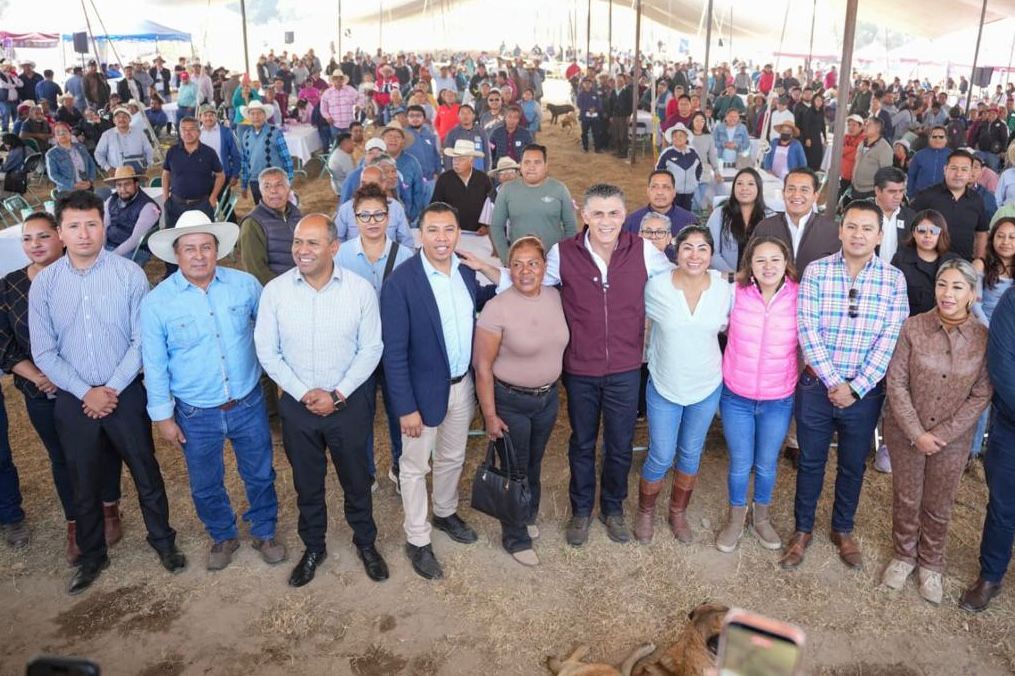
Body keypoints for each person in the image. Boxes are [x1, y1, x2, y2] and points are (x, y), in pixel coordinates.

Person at [464, 184, 674, 547]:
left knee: (620, 443)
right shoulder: (564, 252)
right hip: (581, 369)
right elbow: (528, 281)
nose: (606, 221)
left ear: (624, 216)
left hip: (625, 367)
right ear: (584, 215)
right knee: (582, 442)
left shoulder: (643, 251)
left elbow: (678, 278)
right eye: (598, 213)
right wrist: (487, 267)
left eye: (613, 213)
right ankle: (581, 510)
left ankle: (612, 508)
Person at [29, 191, 185, 595]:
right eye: (74, 226)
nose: (84, 234)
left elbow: (141, 340)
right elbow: (44, 351)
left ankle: (163, 541)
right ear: (61, 232)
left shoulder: (129, 274)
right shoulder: (45, 284)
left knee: (145, 471)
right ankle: (92, 555)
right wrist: (86, 391)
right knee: (82, 480)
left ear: (104, 226)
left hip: (124, 392)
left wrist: (111, 387)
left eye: (92, 224)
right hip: (74, 397)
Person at [141, 212, 284, 572]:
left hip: (247, 401)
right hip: (195, 412)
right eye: (189, 248)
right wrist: (163, 416)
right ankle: (222, 534)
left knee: (260, 472)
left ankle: (264, 530)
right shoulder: (157, 302)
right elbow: (155, 364)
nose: (199, 255)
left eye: (206, 246)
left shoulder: (245, 286)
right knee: (205, 483)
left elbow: (270, 332)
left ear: (217, 250)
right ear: (176, 254)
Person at [255, 213, 388, 586]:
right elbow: (267, 351)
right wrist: (302, 393)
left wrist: (338, 394)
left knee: (357, 481)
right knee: (307, 484)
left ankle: (366, 543)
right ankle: (314, 547)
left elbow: (371, 348)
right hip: (299, 409)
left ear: (333, 247)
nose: (302, 250)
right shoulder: (275, 292)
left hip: (348, 406)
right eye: (298, 242)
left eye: (312, 242)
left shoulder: (359, 290)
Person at [779, 201, 909, 572]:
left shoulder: (893, 279)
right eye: (851, 226)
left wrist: (856, 387)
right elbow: (807, 329)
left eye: (867, 228)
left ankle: (842, 528)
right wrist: (834, 381)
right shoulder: (817, 272)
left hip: (864, 394)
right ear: (840, 230)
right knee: (810, 461)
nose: (858, 235)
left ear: (879, 236)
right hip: (817, 387)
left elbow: (891, 337)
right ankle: (803, 529)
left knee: (852, 465)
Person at [380, 203, 497, 580]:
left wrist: (487, 269)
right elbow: (394, 353)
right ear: (421, 235)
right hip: (420, 394)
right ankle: (417, 538)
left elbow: (491, 298)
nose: (442, 238)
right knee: (414, 467)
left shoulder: (465, 273)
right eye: (433, 230)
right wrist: (405, 407)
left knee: (452, 456)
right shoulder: (401, 282)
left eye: (449, 230)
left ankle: (445, 512)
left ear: (458, 233)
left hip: (462, 386)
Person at [0, 211, 123, 561]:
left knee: (103, 447)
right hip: (41, 389)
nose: (35, 244)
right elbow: (4, 343)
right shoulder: (9, 286)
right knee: (61, 457)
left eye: (43, 236)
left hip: (91, 386)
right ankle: (76, 524)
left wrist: (77, 380)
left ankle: (109, 508)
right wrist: (39, 376)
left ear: (60, 236)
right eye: (27, 238)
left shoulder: (85, 275)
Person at [881, 259, 991, 605]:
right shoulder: (913, 327)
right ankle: (903, 555)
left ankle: (931, 564)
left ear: (971, 294)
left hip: (952, 441)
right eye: (943, 284)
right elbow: (896, 383)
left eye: (958, 287)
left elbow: (981, 394)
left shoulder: (982, 338)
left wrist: (943, 433)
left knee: (939, 503)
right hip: (906, 432)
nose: (948, 293)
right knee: (907, 496)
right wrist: (917, 433)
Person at [473, 236, 569, 566]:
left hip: (547, 399)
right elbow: (482, 367)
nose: (525, 271)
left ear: (544, 267)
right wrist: (490, 415)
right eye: (517, 264)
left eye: (533, 263)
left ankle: (526, 514)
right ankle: (514, 536)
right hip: (510, 401)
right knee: (515, 469)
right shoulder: (496, 308)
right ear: (508, 269)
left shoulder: (555, 297)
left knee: (533, 464)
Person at [636, 225, 730, 545]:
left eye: (702, 248)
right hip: (665, 383)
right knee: (662, 454)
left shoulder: (723, 289)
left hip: (706, 385)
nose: (694, 255)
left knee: (691, 453)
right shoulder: (656, 287)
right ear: (676, 251)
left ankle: (677, 512)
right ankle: (646, 511)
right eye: (687, 247)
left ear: (711, 254)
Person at [716, 236, 799, 553]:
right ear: (749, 264)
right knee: (740, 463)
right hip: (737, 395)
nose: (768, 266)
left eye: (775, 259)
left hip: (778, 398)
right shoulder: (734, 293)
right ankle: (736, 518)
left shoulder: (799, 295)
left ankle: (761, 518)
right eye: (760, 260)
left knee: (766, 464)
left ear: (785, 263)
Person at [336, 184, 414, 488]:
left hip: (395, 348)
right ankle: (365, 471)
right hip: (356, 349)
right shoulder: (341, 255)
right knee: (360, 413)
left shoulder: (405, 255)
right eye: (364, 215)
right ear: (354, 218)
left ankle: (400, 466)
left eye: (378, 214)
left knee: (399, 410)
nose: (372, 221)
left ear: (389, 217)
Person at [959, 276, 1015, 611]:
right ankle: (991, 576)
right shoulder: (1012, 301)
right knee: (1003, 506)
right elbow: (1002, 363)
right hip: (1011, 426)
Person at [489, 144, 577, 264]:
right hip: (520, 263)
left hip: (553, 262)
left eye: (537, 162)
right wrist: (507, 258)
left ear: (546, 166)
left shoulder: (559, 189)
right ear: (520, 165)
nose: (531, 167)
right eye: (527, 162)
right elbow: (496, 226)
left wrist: (564, 257)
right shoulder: (507, 190)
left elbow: (571, 227)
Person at [751, 168, 840, 273]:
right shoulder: (765, 227)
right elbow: (750, 265)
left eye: (804, 190)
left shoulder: (833, 231)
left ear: (815, 196)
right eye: (791, 189)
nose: (796, 195)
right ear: (783, 193)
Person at [910, 150, 989, 261]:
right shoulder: (927, 196)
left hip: (963, 264)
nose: (958, 174)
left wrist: (980, 260)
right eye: (954, 168)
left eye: (964, 169)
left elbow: (981, 234)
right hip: (929, 263)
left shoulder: (977, 200)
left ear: (970, 172)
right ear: (945, 169)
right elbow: (910, 228)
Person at [161, 116, 224, 239]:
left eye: (191, 129)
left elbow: (220, 176)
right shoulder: (172, 152)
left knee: (204, 237)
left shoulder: (209, 152)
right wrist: (165, 197)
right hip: (176, 205)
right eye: (184, 129)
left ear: (199, 132)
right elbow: (165, 174)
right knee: (174, 239)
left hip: (202, 205)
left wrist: (213, 197)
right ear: (180, 132)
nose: (187, 133)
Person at [891, 210, 960, 317]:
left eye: (934, 231)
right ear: (913, 233)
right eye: (922, 230)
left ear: (941, 233)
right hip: (909, 323)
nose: (928, 235)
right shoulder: (900, 260)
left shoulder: (954, 261)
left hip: (946, 322)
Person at [707, 167, 768, 273]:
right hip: (726, 277)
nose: (744, 188)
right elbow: (711, 251)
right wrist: (734, 276)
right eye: (739, 183)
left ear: (759, 188)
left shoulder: (769, 217)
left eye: (750, 184)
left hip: (762, 278)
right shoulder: (719, 214)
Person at [101, 166, 161, 263]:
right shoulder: (111, 200)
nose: (123, 189)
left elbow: (135, 240)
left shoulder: (148, 207)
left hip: (135, 250)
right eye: (119, 185)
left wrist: (111, 257)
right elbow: (103, 228)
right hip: (109, 245)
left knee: (108, 268)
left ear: (136, 184)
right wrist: (101, 251)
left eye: (127, 184)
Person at [239, 100, 294, 205]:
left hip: (274, 181)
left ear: (264, 115)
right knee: (261, 208)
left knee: (277, 206)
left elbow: (286, 158)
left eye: (259, 113)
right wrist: (244, 184)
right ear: (249, 117)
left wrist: (289, 181)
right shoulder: (246, 135)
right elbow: (245, 161)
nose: (256, 117)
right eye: (252, 114)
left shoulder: (275, 132)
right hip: (255, 181)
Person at [432, 140, 492, 233]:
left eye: (461, 159)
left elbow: (491, 206)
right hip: (451, 232)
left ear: (471, 161)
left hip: (478, 233)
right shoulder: (444, 179)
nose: (456, 162)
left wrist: (486, 226)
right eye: (454, 159)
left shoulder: (483, 179)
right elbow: (435, 206)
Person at [623, 170, 697, 241]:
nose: (660, 192)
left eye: (666, 187)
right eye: (654, 187)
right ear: (648, 191)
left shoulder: (689, 221)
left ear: (674, 192)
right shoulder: (631, 222)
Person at [872, 166, 916, 264]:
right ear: (878, 191)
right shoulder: (863, 214)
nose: (898, 196)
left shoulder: (911, 217)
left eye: (901, 191)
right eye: (892, 192)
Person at [198, 104, 242, 193]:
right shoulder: (196, 133)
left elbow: (236, 155)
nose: (208, 118)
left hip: (222, 176)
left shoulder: (226, 132)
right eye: (205, 115)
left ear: (216, 116)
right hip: (201, 177)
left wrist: (235, 174)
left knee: (223, 200)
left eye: (211, 115)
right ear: (200, 118)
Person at [45, 123, 99, 195]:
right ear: (55, 137)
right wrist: (73, 185)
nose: (62, 134)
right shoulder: (51, 154)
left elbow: (91, 165)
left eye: (64, 131)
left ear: (70, 133)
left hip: (87, 186)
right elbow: (53, 175)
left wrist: (90, 181)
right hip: (67, 190)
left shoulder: (81, 147)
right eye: (58, 132)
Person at [94, 107, 152, 173]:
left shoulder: (139, 133)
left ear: (130, 119)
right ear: (113, 120)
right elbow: (98, 154)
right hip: (117, 174)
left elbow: (148, 150)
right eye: (118, 117)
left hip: (139, 172)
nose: (121, 119)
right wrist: (108, 168)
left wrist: (148, 165)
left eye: (124, 117)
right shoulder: (107, 135)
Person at [850, 118, 894, 201]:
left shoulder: (884, 148)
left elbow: (886, 173)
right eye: (865, 125)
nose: (865, 127)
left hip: (871, 191)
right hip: (855, 188)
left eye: (869, 125)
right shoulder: (862, 143)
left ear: (877, 128)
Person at [442, 104, 492, 172]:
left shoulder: (481, 132)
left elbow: (487, 153)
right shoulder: (452, 133)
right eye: (462, 113)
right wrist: (450, 174)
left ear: (473, 116)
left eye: (468, 113)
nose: (465, 116)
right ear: (458, 116)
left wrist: (486, 172)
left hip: (479, 172)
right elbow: (447, 157)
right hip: (459, 173)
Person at [907, 126, 952, 195]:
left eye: (941, 137)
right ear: (929, 138)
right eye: (934, 137)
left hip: (945, 195)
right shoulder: (919, 155)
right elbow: (911, 176)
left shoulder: (952, 156)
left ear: (946, 139)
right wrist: (910, 195)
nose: (937, 139)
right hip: (921, 195)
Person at [798, 93, 827, 171]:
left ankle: (816, 171)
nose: (819, 102)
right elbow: (805, 125)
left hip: (817, 137)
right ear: (813, 101)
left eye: (820, 100)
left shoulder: (821, 111)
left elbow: (823, 125)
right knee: (811, 155)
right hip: (810, 136)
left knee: (818, 155)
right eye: (817, 100)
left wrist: (825, 137)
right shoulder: (809, 111)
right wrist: (807, 138)